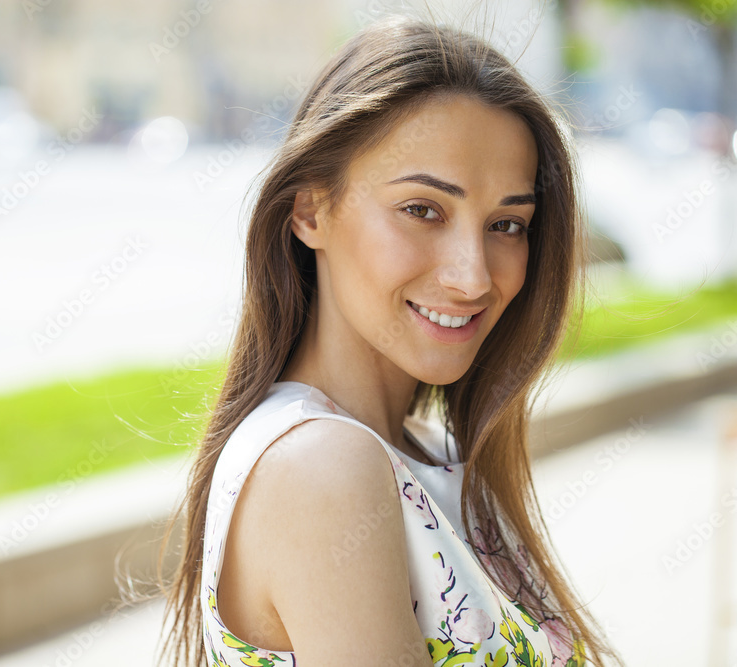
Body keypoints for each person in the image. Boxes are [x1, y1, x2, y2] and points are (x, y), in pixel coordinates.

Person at [146, 12, 622, 667]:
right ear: (311, 209)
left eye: (507, 224)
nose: (473, 275)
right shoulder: (320, 468)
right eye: (423, 210)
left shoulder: (424, 451)